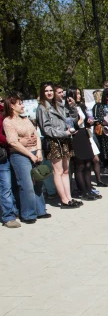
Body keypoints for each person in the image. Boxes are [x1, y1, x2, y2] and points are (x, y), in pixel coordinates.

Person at [3, 92, 51, 223]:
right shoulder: (8, 121)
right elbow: (12, 142)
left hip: (35, 153)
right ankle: (28, 214)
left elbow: (36, 135)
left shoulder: (25, 119)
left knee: (38, 182)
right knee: (27, 185)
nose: (22, 105)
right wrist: (30, 154)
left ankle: (40, 210)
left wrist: (39, 152)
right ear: (12, 106)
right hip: (20, 156)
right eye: (19, 103)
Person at [37, 83, 81, 209]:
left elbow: (71, 119)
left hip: (65, 139)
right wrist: (64, 132)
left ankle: (69, 198)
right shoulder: (42, 107)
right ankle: (64, 200)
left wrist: (72, 108)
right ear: (42, 92)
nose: (49, 93)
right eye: (46, 91)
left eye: (51, 90)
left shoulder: (59, 105)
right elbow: (46, 129)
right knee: (58, 171)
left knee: (66, 170)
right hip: (53, 141)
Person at [66, 88, 98, 200]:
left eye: (79, 93)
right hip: (76, 136)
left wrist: (89, 122)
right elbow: (70, 123)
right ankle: (83, 191)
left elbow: (85, 120)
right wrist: (77, 122)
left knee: (88, 164)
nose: (79, 95)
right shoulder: (68, 108)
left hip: (84, 134)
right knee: (80, 165)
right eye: (77, 93)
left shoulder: (82, 106)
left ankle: (89, 189)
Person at [0, 99, 20, 228]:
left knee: (11, 183)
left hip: (10, 151)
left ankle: (13, 210)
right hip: (3, 151)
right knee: (5, 185)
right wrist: (11, 140)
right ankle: (8, 216)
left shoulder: (4, 110)